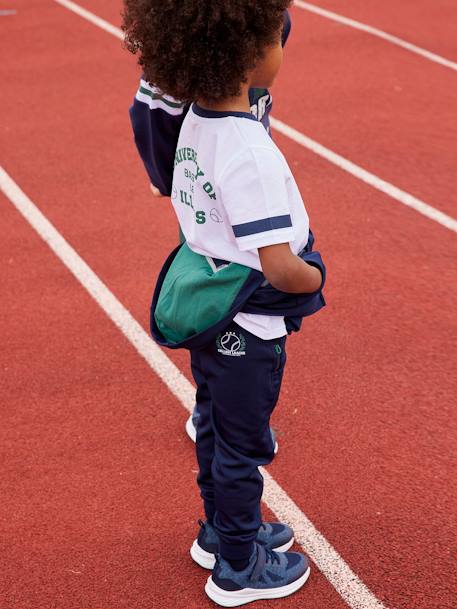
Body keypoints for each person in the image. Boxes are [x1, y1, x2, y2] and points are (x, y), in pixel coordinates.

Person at [123, 1, 326, 605]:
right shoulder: (251, 152)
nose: (282, 47)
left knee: (214, 425)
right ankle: (237, 565)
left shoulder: (196, 124)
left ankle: (220, 531)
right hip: (250, 323)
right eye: (275, 38)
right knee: (243, 444)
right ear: (250, 56)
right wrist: (313, 277)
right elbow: (279, 265)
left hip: (212, 311)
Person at [128, 10, 292, 453]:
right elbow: (151, 112)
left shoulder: (269, 18)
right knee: (221, 289)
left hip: (243, 168)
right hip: (208, 178)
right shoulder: (195, 29)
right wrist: (168, 176)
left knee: (256, 293)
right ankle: (214, 413)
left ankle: (236, 407)